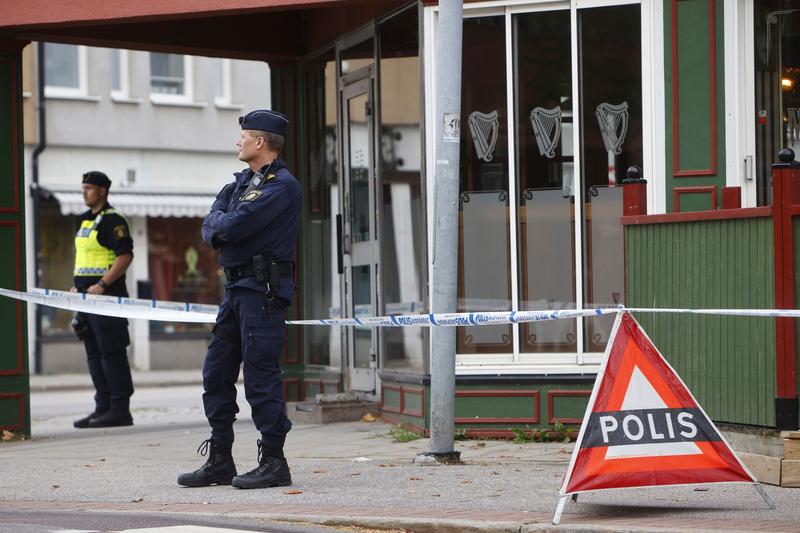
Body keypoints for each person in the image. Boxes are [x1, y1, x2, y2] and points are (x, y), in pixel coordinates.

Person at [177, 109, 302, 489]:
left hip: (261, 293)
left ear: (260, 142)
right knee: (216, 372)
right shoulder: (244, 181)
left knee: (260, 377)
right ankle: (220, 459)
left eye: (244, 136)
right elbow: (212, 222)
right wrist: (219, 226)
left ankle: (275, 462)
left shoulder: (280, 185)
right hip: (235, 291)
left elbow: (229, 225)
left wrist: (219, 226)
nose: (238, 141)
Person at [71, 171, 135, 429]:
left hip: (106, 298)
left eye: (89, 188)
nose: (84, 192)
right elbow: (84, 261)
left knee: (111, 353)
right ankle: (103, 407)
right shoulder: (86, 221)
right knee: (94, 354)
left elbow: (125, 256)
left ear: (102, 191)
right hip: (85, 300)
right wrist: (77, 287)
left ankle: (120, 409)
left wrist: (101, 284)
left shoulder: (113, 220)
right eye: (83, 187)